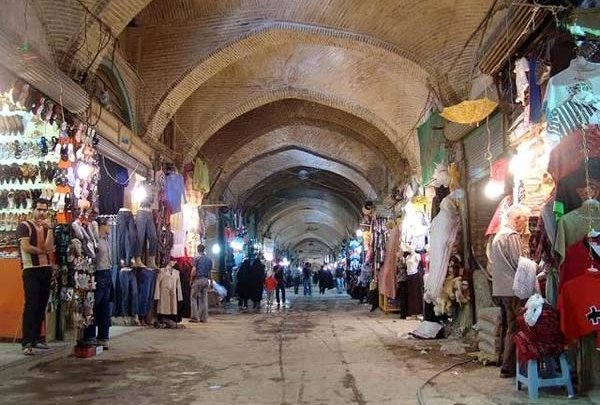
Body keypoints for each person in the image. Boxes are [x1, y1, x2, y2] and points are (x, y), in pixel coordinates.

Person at [490, 204, 530, 378]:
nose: (525, 224)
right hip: (514, 288)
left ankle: (508, 367)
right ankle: (518, 366)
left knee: (512, 326)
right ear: (517, 219)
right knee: (521, 326)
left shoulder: (499, 235)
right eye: (524, 220)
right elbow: (519, 262)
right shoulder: (511, 236)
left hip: (503, 288)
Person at [17, 198, 54, 355]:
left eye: (44, 210)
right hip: (31, 269)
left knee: (42, 304)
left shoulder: (46, 227)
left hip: (46, 268)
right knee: (31, 304)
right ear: (33, 209)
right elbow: (26, 247)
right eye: (39, 209)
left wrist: (50, 230)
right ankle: (27, 341)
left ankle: (37, 338)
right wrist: (41, 251)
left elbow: (48, 247)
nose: (42, 213)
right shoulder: (24, 226)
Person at [82, 217, 113, 349]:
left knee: (104, 308)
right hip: (98, 274)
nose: (109, 227)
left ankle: (103, 337)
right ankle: (90, 336)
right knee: (93, 306)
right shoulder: (95, 241)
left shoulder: (105, 240)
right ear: (101, 226)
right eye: (107, 225)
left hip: (107, 273)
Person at [190, 244, 213, 323]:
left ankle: (195, 317)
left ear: (197, 249)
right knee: (204, 299)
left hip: (198, 279)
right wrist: (211, 282)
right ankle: (204, 317)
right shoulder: (209, 259)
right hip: (206, 280)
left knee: (193, 297)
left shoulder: (196, 258)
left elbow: (194, 270)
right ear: (204, 249)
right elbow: (210, 272)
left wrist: (191, 279)